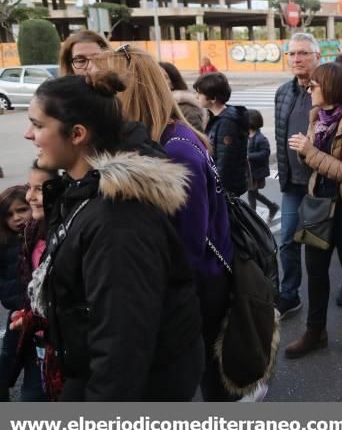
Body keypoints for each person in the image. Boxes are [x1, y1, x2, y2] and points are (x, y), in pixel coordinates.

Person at [24, 72, 203, 401]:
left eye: (37, 125)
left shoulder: (119, 221)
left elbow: (123, 347)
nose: (28, 134)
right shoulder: (83, 192)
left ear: (77, 134)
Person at [85, 44, 237, 401]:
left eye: (103, 88)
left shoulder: (176, 147)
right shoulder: (154, 140)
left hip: (200, 287)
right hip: (181, 285)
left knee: (210, 382)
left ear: (128, 91)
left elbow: (190, 245)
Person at [284, 63, 342, 358]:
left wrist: (309, 152)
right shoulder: (317, 117)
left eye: (314, 85)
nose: (309, 90)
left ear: (332, 88)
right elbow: (311, 165)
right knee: (315, 271)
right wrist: (303, 153)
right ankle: (315, 331)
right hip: (318, 204)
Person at [274, 32, 321, 318]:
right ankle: (290, 294)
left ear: (317, 56)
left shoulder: (329, 89)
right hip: (291, 183)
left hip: (321, 183)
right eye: (292, 54)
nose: (296, 59)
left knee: (320, 245)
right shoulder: (283, 92)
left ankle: (341, 288)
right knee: (288, 240)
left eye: (303, 53)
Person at [13, 162, 62, 400]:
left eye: (40, 189)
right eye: (28, 188)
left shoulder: (66, 234)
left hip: (62, 346)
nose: (30, 197)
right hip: (38, 340)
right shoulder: (31, 230)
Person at [0, 186, 45, 401]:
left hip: (39, 319)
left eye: (22, 210)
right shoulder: (4, 244)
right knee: (7, 360)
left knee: (35, 371)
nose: (16, 218)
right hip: (16, 316)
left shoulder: (43, 238)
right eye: (9, 214)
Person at [194, 72, 249, 197]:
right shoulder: (216, 117)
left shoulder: (226, 123)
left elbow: (225, 163)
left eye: (199, 93)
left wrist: (215, 190)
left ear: (213, 98)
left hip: (224, 190)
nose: (196, 96)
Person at [247, 109, 280, 221]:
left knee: (252, 193)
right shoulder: (247, 135)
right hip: (249, 171)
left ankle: (253, 218)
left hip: (256, 172)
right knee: (253, 193)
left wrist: (250, 156)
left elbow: (265, 153)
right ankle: (272, 207)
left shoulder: (260, 139)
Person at [159, 62, 207, 132]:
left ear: (173, 82)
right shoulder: (152, 106)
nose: (159, 80)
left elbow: (196, 140)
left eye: (164, 77)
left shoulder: (187, 109)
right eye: (156, 76)